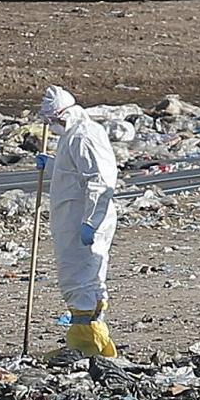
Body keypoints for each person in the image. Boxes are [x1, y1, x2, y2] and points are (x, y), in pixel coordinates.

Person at [39, 86, 119, 357]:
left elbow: (100, 180)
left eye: (51, 122)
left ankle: (85, 345)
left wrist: (91, 222)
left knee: (78, 279)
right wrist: (51, 165)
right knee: (90, 280)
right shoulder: (74, 135)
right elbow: (72, 171)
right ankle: (97, 340)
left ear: (61, 115)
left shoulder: (84, 136)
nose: (51, 127)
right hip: (76, 218)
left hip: (82, 219)